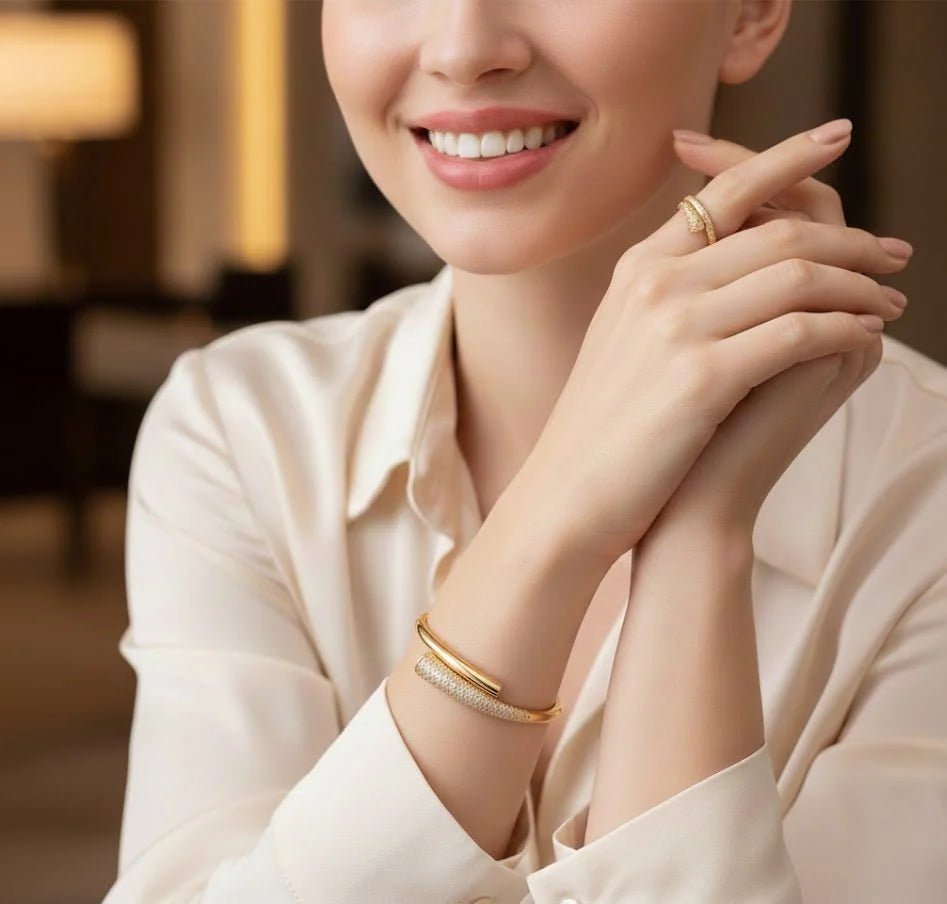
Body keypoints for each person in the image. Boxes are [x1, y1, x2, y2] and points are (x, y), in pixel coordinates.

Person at [103, 1, 947, 902]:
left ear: (748, 14)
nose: (464, 49)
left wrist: (697, 539)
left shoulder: (922, 488)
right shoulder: (244, 427)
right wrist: (561, 507)